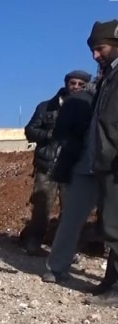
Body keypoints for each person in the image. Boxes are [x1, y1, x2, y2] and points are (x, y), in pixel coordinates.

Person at [21, 70, 91, 255]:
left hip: (74, 167)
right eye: (73, 83)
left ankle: (67, 250)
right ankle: (34, 243)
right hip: (48, 165)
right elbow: (30, 131)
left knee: (71, 211)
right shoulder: (47, 107)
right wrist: (51, 134)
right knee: (41, 207)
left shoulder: (90, 108)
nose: (76, 87)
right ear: (66, 83)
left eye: (80, 84)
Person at [43, 74, 97, 284]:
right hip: (84, 165)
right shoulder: (78, 100)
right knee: (72, 218)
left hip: (109, 167)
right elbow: (61, 132)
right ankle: (57, 267)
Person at [85, 20, 118, 305]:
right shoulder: (108, 77)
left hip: (115, 163)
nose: (96, 55)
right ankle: (110, 281)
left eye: (101, 48)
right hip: (106, 162)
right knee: (110, 224)